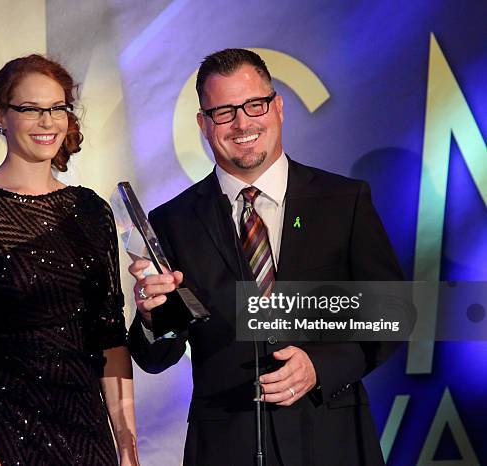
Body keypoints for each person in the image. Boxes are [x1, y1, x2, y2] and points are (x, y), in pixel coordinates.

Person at [127, 49, 404, 465]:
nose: (242, 123)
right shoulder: (172, 220)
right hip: (224, 444)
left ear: (277, 108)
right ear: (203, 124)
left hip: (331, 438)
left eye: (254, 105)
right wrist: (152, 319)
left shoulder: (342, 200)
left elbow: (393, 313)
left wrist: (320, 366)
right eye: (223, 112)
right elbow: (156, 356)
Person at [0, 55, 139, 466]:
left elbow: (110, 338)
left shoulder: (90, 209)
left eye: (57, 108)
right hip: (4, 431)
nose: (48, 122)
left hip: (87, 434)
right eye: (31, 109)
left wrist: (128, 451)